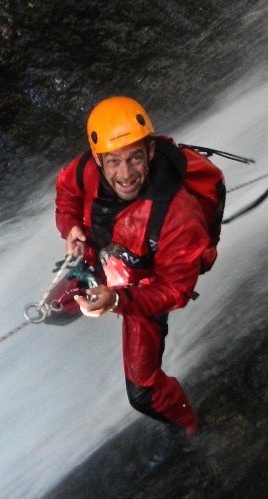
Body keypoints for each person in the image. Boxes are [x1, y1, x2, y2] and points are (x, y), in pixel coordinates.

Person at [55, 96, 213, 448]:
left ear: (151, 152)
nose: (125, 174)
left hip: (142, 290)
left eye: (135, 158)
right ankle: (75, 307)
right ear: (98, 160)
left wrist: (118, 301)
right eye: (114, 162)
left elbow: (175, 290)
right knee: (53, 310)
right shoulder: (85, 170)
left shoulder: (178, 216)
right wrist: (70, 228)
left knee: (143, 393)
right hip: (100, 261)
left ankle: (186, 426)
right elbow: (66, 192)